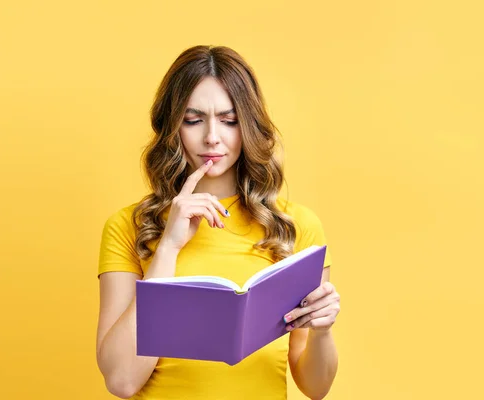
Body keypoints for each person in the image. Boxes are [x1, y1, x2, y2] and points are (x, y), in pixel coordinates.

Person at [96, 45, 340, 400]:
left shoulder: (295, 226)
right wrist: (168, 248)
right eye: (193, 120)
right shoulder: (128, 226)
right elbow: (121, 381)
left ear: (249, 125)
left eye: (229, 120)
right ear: (172, 126)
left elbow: (316, 388)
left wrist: (322, 330)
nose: (212, 137)